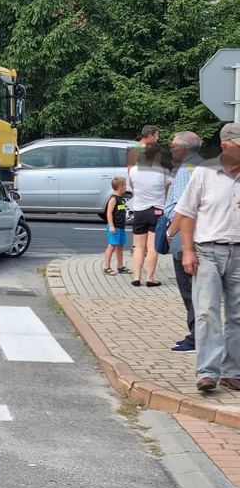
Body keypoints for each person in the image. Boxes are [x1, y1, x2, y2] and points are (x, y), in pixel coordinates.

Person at [176, 122, 240, 392]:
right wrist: (188, 251)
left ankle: (233, 371)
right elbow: (187, 213)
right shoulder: (204, 173)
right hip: (207, 251)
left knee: (237, 316)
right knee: (206, 312)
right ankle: (207, 373)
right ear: (226, 146)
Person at [163, 131, 205, 351]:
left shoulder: (189, 170)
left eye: (172, 147)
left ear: (182, 149)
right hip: (193, 236)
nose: (170, 150)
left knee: (189, 290)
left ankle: (197, 338)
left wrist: (170, 233)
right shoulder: (200, 165)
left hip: (184, 238)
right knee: (192, 291)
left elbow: (183, 208)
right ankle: (195, 334)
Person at [128, 142, 171, 286]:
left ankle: (136, 277)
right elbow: (167, 190)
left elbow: (133, 186)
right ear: (157, 155)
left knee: (139, 246)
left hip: (140, 210)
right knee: (152, 246)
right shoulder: (164, 172)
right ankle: (150, 278)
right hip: (157, 211)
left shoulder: (134, 170)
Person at [103, 177, 129, 275]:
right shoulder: (113, 199)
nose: (126, 187)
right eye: (125, 185)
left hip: (121, 226)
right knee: (111, 246)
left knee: (120, 246)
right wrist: (111, 226)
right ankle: (107, 267)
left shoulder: (121, 198)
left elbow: (121, 209)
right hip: (115, 227)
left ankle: (120, 266)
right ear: (120, 186)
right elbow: (109, 213)